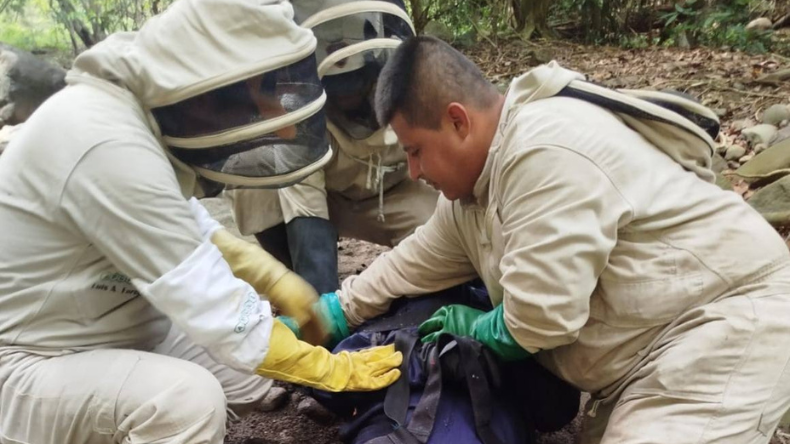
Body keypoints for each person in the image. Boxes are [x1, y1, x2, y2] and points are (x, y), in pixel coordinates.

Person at [317, 36, 790, 443]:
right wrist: (333, 312)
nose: (415, 173)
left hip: (723, 324)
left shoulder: (542, 149)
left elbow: (540, 320)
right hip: (645, 356)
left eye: (416, 151)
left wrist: (477, 327)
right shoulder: (472, 196)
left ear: (458, 121)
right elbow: (409, 264)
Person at [0, 0, 404, 443]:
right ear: (212, 85)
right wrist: (329, 369)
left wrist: (271, 276)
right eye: (263, 94)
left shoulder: (134, 124)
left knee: (248, 379)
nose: (283, 126)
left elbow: (185, 225)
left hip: (112, 328)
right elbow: (209, 301)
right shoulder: (100, 139)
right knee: (185, 404)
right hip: (31, 357)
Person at [228, 0, 439, 294]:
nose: (348, 93)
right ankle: (297, 279)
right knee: (253, 180)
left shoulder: (411, 94)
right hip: (329, 198)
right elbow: (307, 211)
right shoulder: (299, 113)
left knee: (447, 248)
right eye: (337, 85)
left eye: (356, 81)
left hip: (395, 194)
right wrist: (324, 307)